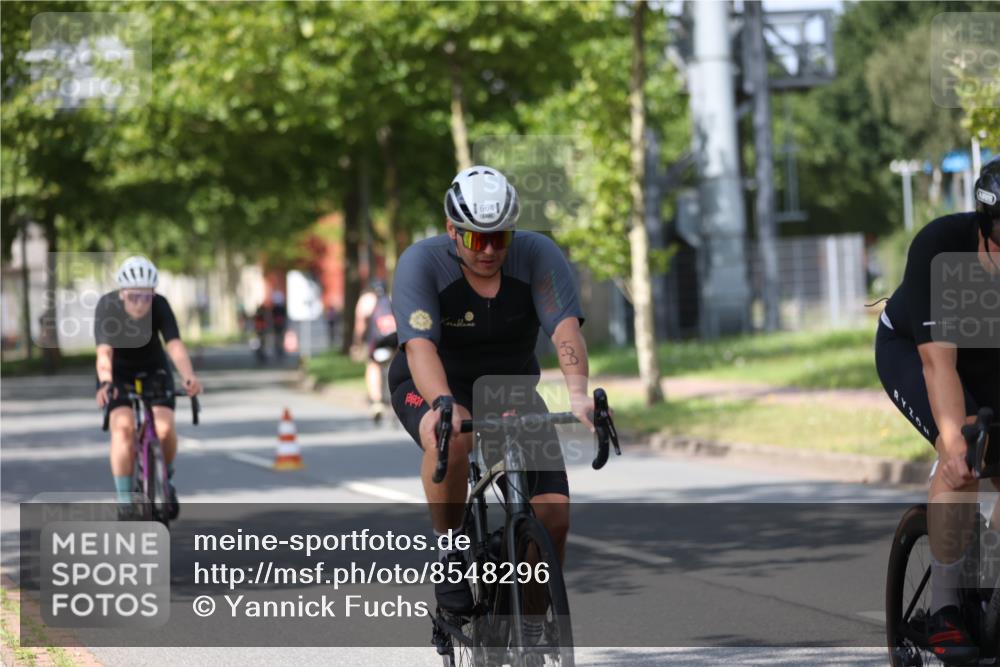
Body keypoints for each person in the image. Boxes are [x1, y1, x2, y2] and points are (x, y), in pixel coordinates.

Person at [388, 165, 595, 624]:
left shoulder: (537, 254)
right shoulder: (421, 263)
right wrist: (442, 405)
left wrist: (578, 394)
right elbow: (419, 348)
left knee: (554, 517)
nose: (487, 250)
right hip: (433, 384)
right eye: (475, 239)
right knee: (453, 434)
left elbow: (565, 330)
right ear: (451, 230)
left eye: (499, 238)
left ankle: (531, 631)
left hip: (510, 389)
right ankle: (450, 551)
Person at [875, 156, 1000, 663]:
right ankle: (946, 609)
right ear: (986, 226)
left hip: (989, 361)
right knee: (965, 454)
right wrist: (953, 444)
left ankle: (989, 590)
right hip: (915, 350)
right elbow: (937, 364)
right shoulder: (941, 248)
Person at [94, 256, 203, 521]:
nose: (140, 303)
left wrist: (188, 376)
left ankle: (167, 479)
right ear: (122, 293)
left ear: (153, 293)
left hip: (154, 369)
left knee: (164, 429)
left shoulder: (161, 305)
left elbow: (174, 345)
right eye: (133, 296)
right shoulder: (108, 307)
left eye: (146, 296)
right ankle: (124, 500)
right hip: (118, 374)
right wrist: (106, 382)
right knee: (123, 428)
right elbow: (104, 352)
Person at [353, 279, 397, 421]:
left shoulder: (366, 299)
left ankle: (377, 402)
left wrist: (357, 343)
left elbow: (360, 325)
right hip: (394, 338)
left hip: (377, 340)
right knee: (394, 364)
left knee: (373, 366)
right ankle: (396, 398)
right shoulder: (391, 297)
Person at [271, 290, 287, 358]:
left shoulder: (278, 308)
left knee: (279, 337)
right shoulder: (277, 308)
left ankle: (279, 348)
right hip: (278, 324)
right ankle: (278, 348)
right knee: (278, 337)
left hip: (279, 324)